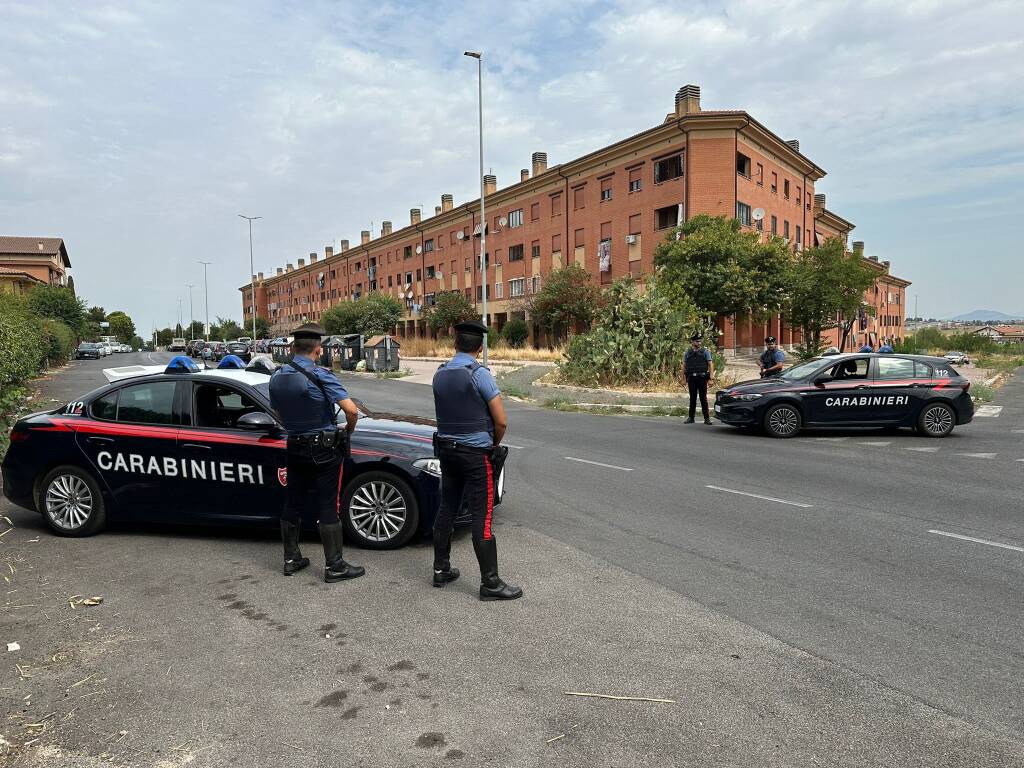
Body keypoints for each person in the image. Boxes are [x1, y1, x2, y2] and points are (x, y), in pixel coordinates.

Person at [431, 320, 522, 601]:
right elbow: (501, 421)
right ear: (480, 347)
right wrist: (491, 443)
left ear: (454, 343)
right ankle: (490, 583)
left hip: (446, 450)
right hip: (474, 454)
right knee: (482, 517)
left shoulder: (440, 373)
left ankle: (440, 569)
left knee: (447, 508)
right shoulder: (479, 374)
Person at [269, 323, 364, 583]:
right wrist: (348, 430)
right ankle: (335, 566)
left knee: (293, 501)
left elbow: (276, 412)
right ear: (318, 349)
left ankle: (291, 559)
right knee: (328, 504)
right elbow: (351, 410)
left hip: (295, 444)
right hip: (323, 448)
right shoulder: (320, 374)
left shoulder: (277, 377)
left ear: (292, 348)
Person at [683, 333, 714, 424]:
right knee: (692, 398)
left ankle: (707, 418)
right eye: (697, 341)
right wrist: (683, 378)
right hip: (691, 378)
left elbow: (710, 364)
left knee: (703, 398)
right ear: (692, 342)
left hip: (702, 378)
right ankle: (691, 417)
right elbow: (684, 366)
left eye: (700, 341)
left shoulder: (705, 352)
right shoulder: (688, 353)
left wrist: (711, 378)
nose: (699, 342)